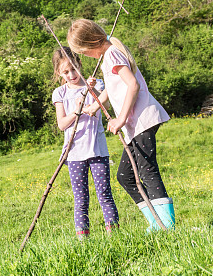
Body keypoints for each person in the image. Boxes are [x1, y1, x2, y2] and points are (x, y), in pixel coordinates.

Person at [67, 19, 175, 232]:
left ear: (89, 44)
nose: (84, 56)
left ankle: (167, 226)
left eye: (82, 51)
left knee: (147, 170)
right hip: (134, 125)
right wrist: (94, 107)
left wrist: (121, 119)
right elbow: (114, 88)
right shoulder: (109, 56)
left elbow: (132, 85)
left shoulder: (112, 55)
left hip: (142, 119)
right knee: (125, 176)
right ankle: (155, 221)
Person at [52, 46, 119, 239]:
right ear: (59, 73)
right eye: (65, 72)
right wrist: (77, 110)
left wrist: (93, 90)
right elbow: (62, 124)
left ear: (80, 63)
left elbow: (105, 106)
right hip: (74, 154)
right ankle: (83, 239)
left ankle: (114, 236)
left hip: (97, 150)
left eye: (73, 68)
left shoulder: (95, 84)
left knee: (104, 194)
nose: (71, 74)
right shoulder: (60, 93)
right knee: (80, 198)